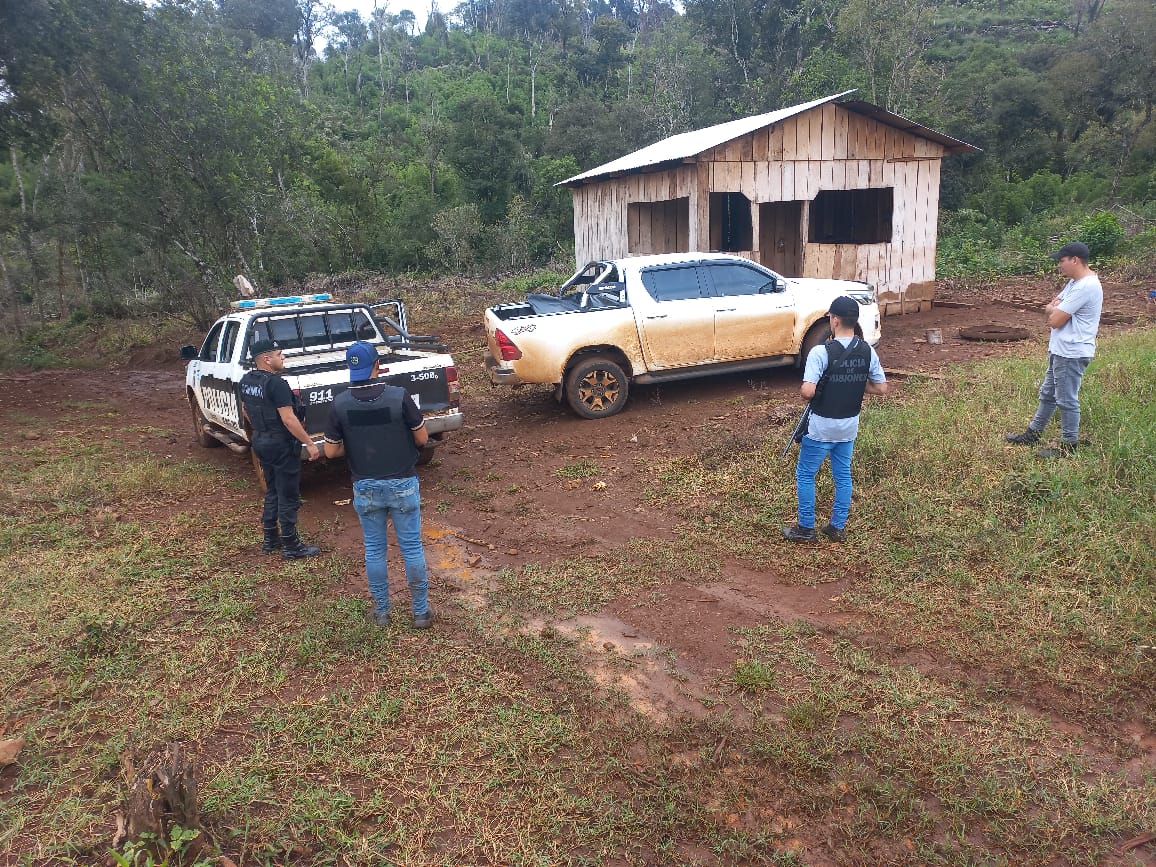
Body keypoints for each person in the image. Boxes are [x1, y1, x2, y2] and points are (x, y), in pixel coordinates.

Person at [324, 341, 433, 629]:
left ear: (351, 368)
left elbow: (331, 452)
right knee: (411, 547)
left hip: (366, 487)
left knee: (374, 549)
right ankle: (420, 612)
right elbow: (422, 439)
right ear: (376, 366)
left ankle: (382, 612)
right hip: (403, 484)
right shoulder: (399, 397)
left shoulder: (339, 404)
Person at [782, 296, 888, 543]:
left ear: (836, 320)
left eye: (830, 317)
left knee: (806, 474)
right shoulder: (867, 351)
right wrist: (854, 385)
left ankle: (806, 528)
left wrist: (822, 387)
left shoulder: (821, 352)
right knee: (842, 475)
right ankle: (836, 527)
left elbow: (808, 391)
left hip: (821, 426)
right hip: (849, 425)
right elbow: (881, 388)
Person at [1005, 241, 1103, 458]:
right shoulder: (1073, 283)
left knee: (1066, 399)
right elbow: (1051, 308)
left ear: (1074, 260)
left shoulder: (1086, 286)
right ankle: (1033, 433)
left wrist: (1053, 309)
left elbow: (1054, 320)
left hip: (1071, 352)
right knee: (1048, 393)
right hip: (1060, 350)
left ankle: (1069, 445)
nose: (1059, 265)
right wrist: (1053, 308)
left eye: (1061, 260)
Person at [239, 339, 322, 559]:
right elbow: (289, 419)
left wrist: (260, 428)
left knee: (273, 489)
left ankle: (270, 539)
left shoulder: (247, 380)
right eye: (279, 354)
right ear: (267, 359)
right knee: (288, 494)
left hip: (260, 440)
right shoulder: (277, 384)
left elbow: (245, 409)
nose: (283, 357)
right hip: (280, 443)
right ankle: (291, 545)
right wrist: (310, 443)